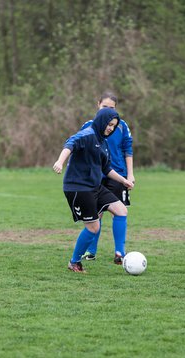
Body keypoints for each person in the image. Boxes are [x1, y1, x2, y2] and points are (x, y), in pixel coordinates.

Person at [53, 107, 134, 273]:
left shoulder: (103, 143)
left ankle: (120, 253)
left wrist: (123, 180)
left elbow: (107, 169)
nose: (110, 128)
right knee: (93, 228)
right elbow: (70, 144)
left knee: (121, 210)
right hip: (78, 188)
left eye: (113, 125)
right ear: (101, 121)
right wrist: (60, 162)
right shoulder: (87, 134)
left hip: (95, 186)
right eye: (109, 124)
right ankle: (74, 262)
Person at [81, 92, 135, 263]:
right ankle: (91, 251)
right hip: (96, 175)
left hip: (117, 174)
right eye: (105, 107)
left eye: (111, 108)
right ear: (98, 105)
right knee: (96, 215)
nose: (108, 110)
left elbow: (128, 149)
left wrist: (130, 174)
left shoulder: (121, 126)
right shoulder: (88, 126)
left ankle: (119, 253)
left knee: (118, 212)